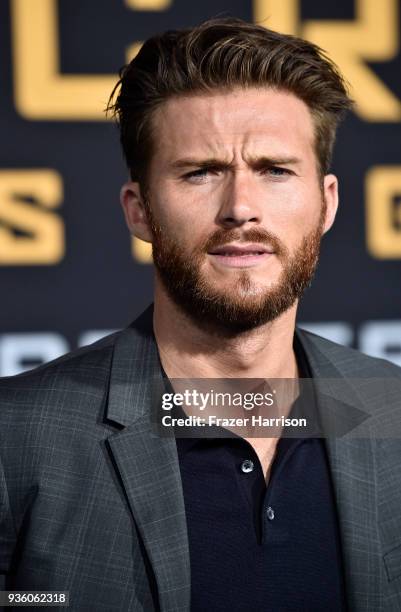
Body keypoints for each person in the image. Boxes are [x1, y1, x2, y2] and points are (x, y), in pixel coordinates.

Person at [1, 16, 401, 612]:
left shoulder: (392, 411)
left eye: (275, 170)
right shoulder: (15, 438)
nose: (241, 207)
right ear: (139, 211)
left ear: (327, 203)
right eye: (200, 172)